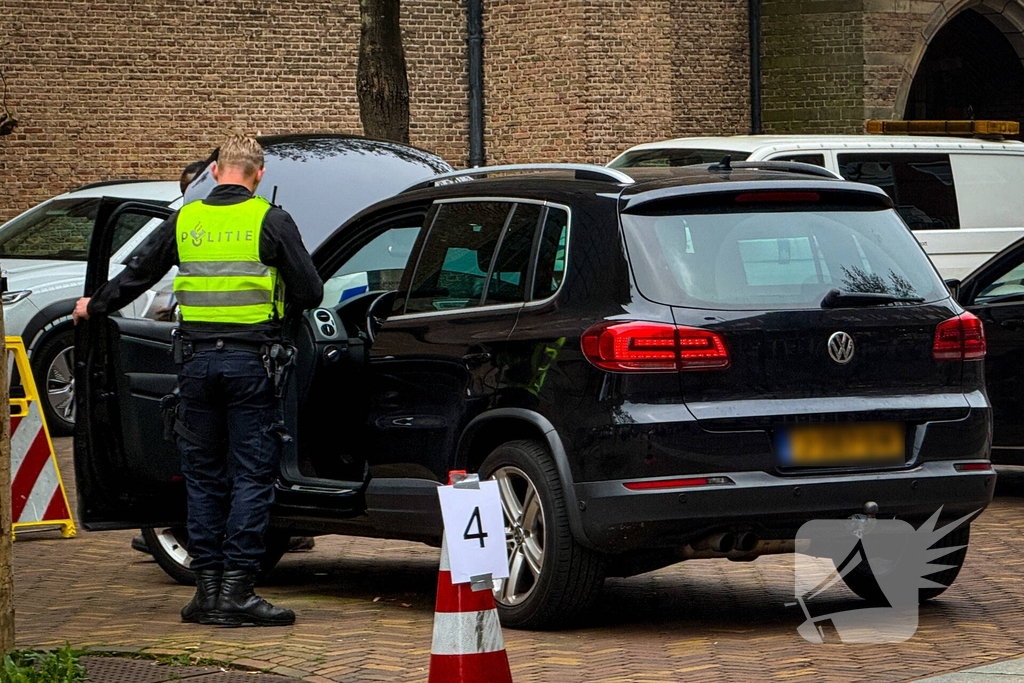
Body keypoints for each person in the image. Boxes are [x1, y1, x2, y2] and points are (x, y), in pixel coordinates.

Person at [74, 134, 323, 627]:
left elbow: (138, 274)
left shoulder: (185, 221)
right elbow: (311, 290)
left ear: (213, 172)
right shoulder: (270, 220)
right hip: (251, 365)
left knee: (204, 479)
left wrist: (93, 305)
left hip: (195, 367)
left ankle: (206, 592)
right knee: (251, 476)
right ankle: (238, 593)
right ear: (260, 174)